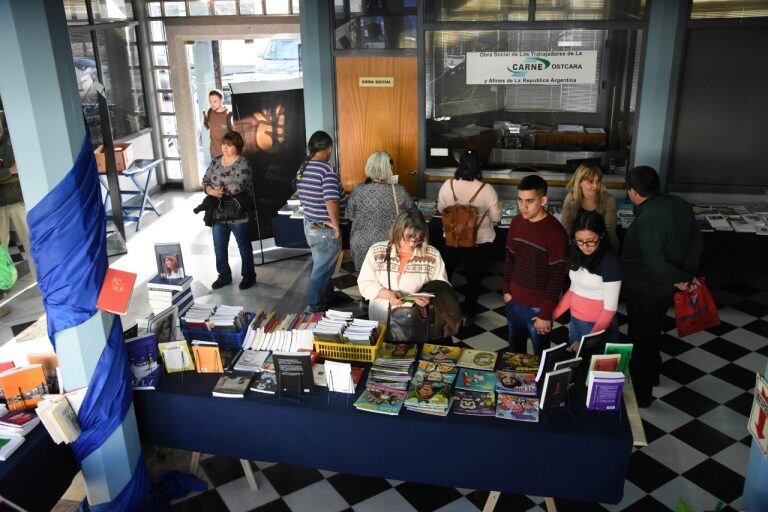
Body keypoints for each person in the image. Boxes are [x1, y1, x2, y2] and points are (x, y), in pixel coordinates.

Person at [622, 166, 702, 408]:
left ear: (633, 192)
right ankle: (654, 374)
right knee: (653, 331)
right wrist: (686, 276)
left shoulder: (647, 220)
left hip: (645, 289)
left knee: (641, 339)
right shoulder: (679, 204)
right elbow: (696, 241)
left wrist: (682, 278)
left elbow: (656, 266)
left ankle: (642, 394)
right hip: (667, 288)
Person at [502, 175, 569, 355]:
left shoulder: (556, 233)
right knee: (515, 356)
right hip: (514, 300)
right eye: (520, 200)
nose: (523, 207)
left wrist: (545, 314)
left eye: (529, 201)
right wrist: (506, 291)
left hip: (538, 307)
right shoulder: (516, 222)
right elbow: (509, 258)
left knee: (541, 358)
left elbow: (557, 277)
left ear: (543, 200)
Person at [437, 150, 501, 324]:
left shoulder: (447, 185)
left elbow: (442, 209)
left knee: (445, 274)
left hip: (452, 239)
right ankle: (467, 314)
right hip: (479, 242)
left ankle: (442, 308)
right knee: (473, 279)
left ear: (460, 165)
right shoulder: (486, 189)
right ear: (478, 166)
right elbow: (496, 218)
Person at [358, 210, 449, 326]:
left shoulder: (431, 255)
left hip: (416, 320)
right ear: (397, 231)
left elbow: (442, 286)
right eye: (407, 238)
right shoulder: (377, 251)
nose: (412, 244)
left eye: (417, 239)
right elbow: (364, 282)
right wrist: (388, 294)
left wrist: (428, 297)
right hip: (381, 317)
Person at [553, 211, 621, 353]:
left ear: (601, 236)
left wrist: (588, 339)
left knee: (596, 371)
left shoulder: (610, 262)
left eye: (591, 241)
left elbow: (610, 309)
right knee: (578, 368)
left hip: (599, 327)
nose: (585, 246)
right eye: (579, 241)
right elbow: (573, 291)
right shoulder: (577, 253)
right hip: (576, 321)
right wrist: (551, 316)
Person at [296, 131, 345, 312]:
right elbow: (330, 200)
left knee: (322, 265)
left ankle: (327, 296)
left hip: (310, 225)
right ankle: (315, 307)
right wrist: (336, 224)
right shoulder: (326, 170)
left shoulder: (304, 167)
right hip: (324, 229)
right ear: (329, 148)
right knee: (321, 271)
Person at [201, 131, 256, 290]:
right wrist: (210, 190)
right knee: (219, 246)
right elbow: (205, 179)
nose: (224, 147)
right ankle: (224, 276)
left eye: (229, 145)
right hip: (218, 212)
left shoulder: (243, 163)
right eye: (224, 144)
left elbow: (240, 184)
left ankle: (248, 276)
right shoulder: (216, 161)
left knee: (244, 246)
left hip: (238, 213)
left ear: (237, 147)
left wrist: (219, 191)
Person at [346, 151, 415, 272]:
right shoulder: (399, 190)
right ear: (388, 168)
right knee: (387, 277)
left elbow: (350, 215)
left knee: (366, 278)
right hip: (388, 244)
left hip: (361, 244)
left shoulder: (358, 190)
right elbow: (414, 214)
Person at [560, 163, 620, 251]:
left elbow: (610, 231)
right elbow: (566, 227)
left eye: (598, 181)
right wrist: (578, 245)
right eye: (590, 181)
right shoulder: (571, 198)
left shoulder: (609, 200)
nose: (595, 186)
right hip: (577, 244)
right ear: (580, 182)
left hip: (601, 246)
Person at [203, 89, 235, 159]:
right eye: (210, 102)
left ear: (221, 100)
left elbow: (235, 137)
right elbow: (206, 121)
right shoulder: (210, 111)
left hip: (226, 155)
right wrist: (209, 128)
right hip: (213, 152)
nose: (212, 104)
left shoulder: (229, 115)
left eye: (214, 101)